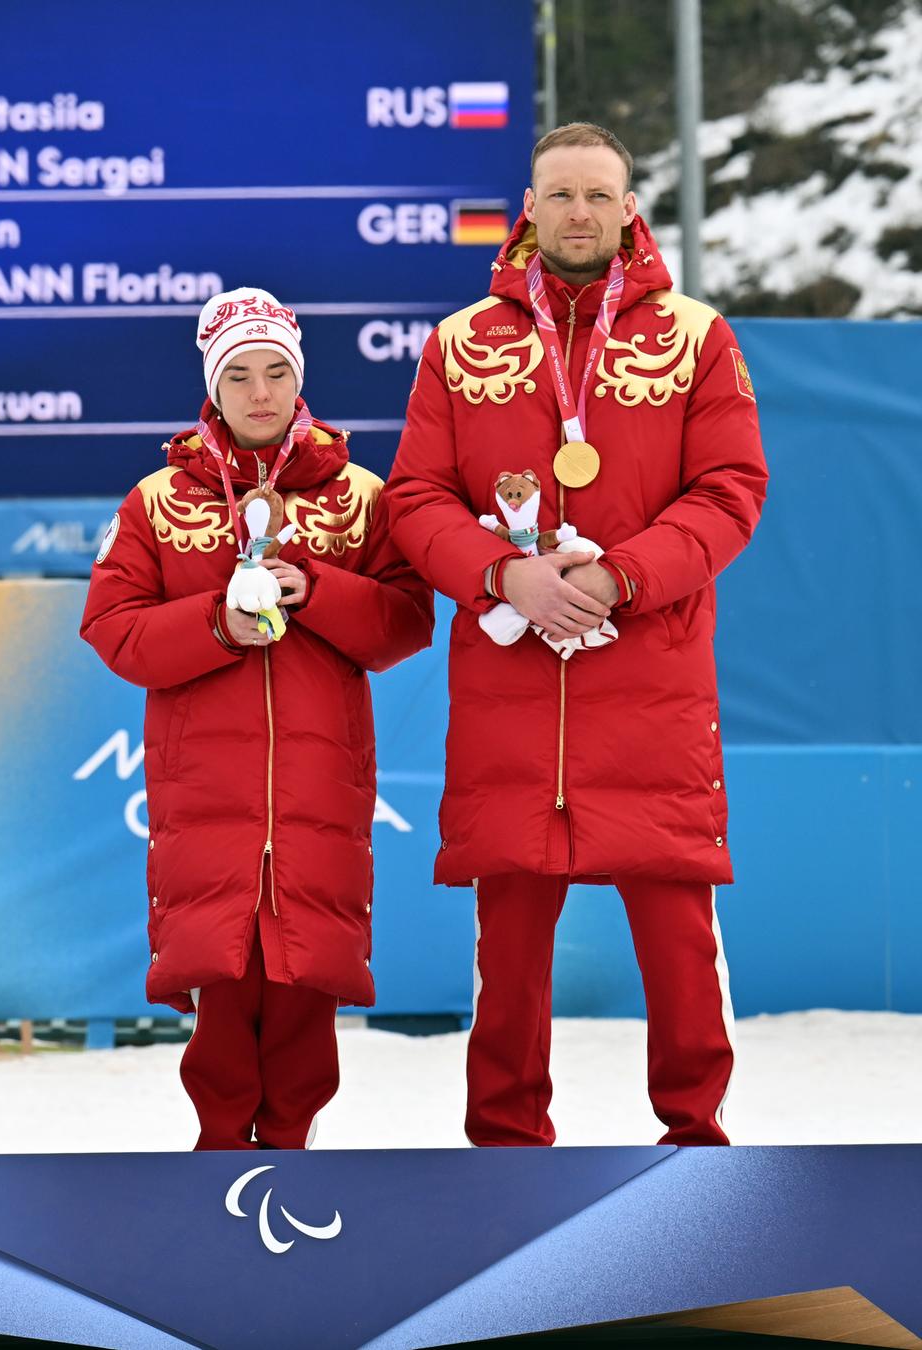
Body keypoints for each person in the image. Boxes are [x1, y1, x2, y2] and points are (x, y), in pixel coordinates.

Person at [384, 123, 767, 1147]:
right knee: (508, 946)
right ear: (531, 205)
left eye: (601, 195)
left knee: (680, 938)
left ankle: (697, 1143)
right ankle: (506, 1149)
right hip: (513, 691)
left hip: (652, 682)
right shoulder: (460, 345)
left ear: (630, 207)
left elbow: (733, 491)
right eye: (562, 196)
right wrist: (503, 572)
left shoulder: (696, 336)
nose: (582, 213)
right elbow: (416, 498)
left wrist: (621, 575)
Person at [81, 287, 433, 1150]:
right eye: (239, 374)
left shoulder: (359, 495)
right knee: (223, 996)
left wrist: (315, 590)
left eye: (277, 371)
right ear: (214, 385)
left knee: (306, 993)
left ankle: (291, 1159)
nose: (261, 391)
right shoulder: (157, 500)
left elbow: (406, 621)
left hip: (319, 795)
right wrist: (216, 625)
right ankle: (219, 1162)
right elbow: (112, 629)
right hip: (206, 796)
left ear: (300, 379)